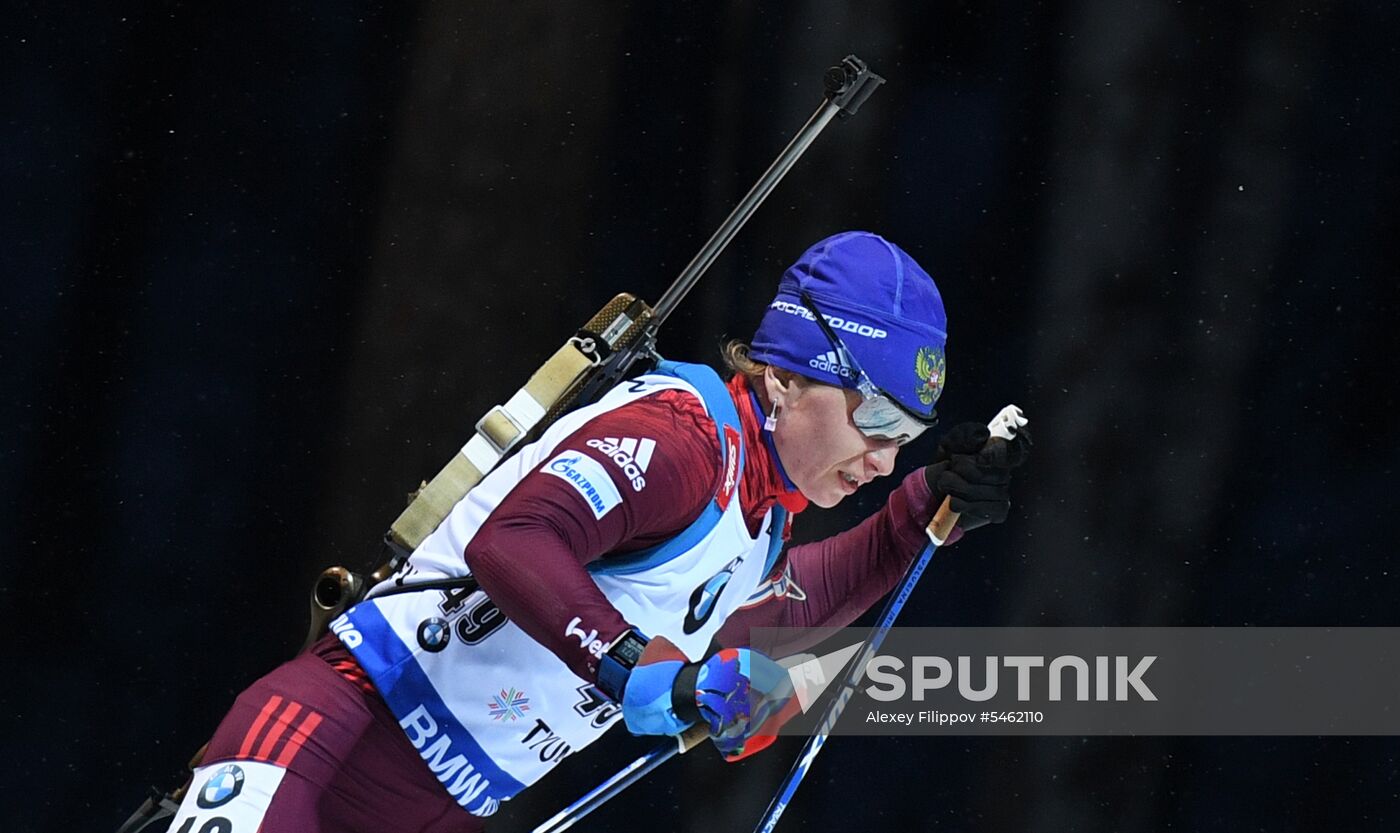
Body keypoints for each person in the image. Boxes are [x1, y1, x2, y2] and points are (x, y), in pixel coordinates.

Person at [160, 231, 1029, 832]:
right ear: (785, 378)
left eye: (904, 434)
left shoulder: (757, 522)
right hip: (331, 733)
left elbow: (757, 632)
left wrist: (915, 518)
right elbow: (518, 541)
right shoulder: (685, 438)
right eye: (872, 414)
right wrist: (637, 673)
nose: (880, 455)